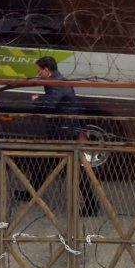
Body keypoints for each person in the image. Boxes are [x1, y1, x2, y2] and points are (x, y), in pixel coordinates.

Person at [21, 57, 97, 216]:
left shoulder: (54, 83)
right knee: (42, 161)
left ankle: (91, 204)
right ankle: (31, 193)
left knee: (74, 168)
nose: (38, 73)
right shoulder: (60, 80)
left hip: (64, 131)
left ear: (46, 70)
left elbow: (49, 105)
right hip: (64, 129)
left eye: (39, 70)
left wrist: (36, 100)